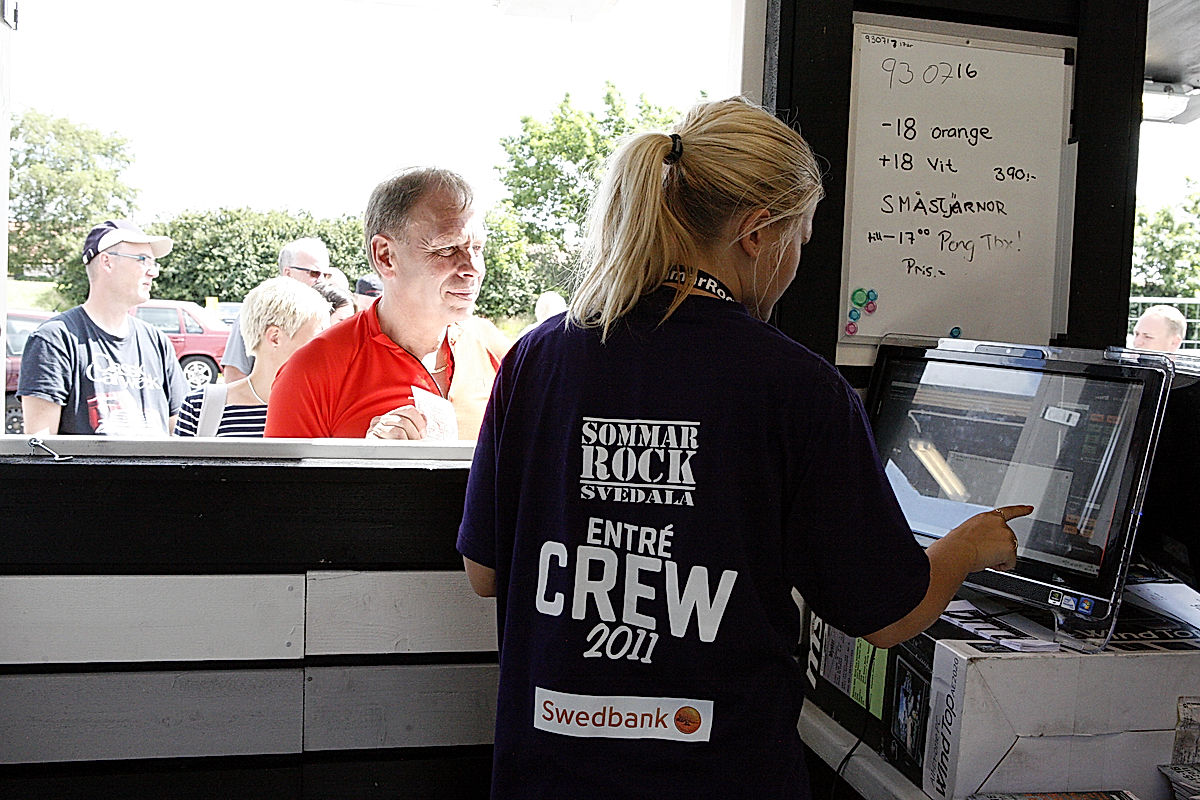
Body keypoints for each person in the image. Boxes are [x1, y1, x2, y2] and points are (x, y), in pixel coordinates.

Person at [456, 98, 1029, 800]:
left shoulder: (536, 359)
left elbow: (485, 572)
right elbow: (888, 615)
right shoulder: (796, 387)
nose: (793, 265)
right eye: (801, 240)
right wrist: (972, 545)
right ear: (758, 233)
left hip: (544, 776)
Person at [264, 168, 510, 440]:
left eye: (477, 248)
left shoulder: (497, 352)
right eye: (447, 248)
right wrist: (371, 467)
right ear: (385, 256)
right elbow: (283, 484)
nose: (473, 268)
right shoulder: (311, 373)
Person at [18, 220, 188, 436]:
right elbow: (40, 448)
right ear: (107, 262)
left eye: (154, 263)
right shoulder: (54, 340)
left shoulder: (156, 341)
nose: (152, 272)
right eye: (143, 260)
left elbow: (182, 432)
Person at [175, 277, 329, 437]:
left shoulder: (327, 411)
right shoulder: (201, 406)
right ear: (275, 337)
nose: (324, 351)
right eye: (316, 340)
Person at [221, 237, 333, 382]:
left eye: (327, 275)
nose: (322, 281)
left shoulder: (337, 309)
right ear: (288, 273)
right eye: (314, 273)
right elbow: (234, 374)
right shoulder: (259, 311)